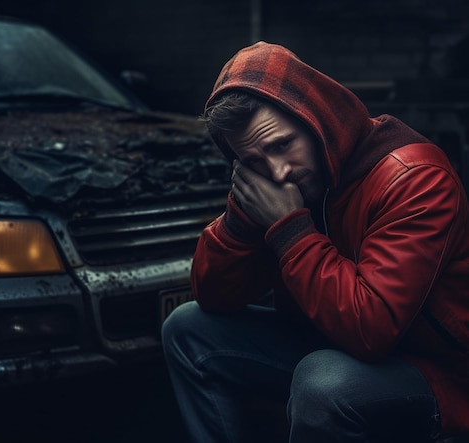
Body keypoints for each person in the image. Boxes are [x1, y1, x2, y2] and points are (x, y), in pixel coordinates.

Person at [161, 41, 469, 442]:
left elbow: (370, 330)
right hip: (328, 345)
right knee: (187, 329)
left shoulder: (415, 179)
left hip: (438, 376)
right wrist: (241, 215)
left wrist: (290, 229)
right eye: (255, 162)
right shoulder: (281, 182)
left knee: (324, 381)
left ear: (317, 122)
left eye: (283, 145)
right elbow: (213, 295)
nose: (279, 172)